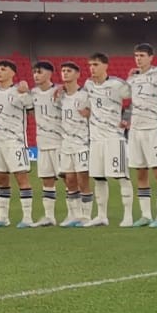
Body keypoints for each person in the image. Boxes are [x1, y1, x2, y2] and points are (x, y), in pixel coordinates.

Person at [0, 60, 36, 228]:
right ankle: (3, 217)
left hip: (15, 142)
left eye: (3, 69)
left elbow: (32, 112)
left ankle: (27, 218)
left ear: (12, 73)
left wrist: (25, 92)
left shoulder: (20, 92)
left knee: (22, 178)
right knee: (2, 179)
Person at [126, 45, 157, 227]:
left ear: (151, 57)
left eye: (142, 56)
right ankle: (146, 215)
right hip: (135, 130)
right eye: (136, 55)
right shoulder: (133, 78)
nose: (138, 59)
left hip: (154, 129)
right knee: (140, 173)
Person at [82, 52, 132, 227]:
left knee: (121, 176)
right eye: (90, 65)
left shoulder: (117, 84)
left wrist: (127, 116)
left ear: (105, 66)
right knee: (98, 178)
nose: (92, 68)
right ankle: (101, 216)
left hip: (114, 138)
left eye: (95, 65)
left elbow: (135, 100)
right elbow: (84, 104)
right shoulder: (88, 85)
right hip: (95, 139)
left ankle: (128, 216)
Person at [54, 61, 93, 226]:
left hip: (82, 142)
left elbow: (98, 112)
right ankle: (73, 216)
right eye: (63, 71)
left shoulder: (85, 95)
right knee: (69, 179)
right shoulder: (59, 96)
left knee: (82, 179)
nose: (65, 73)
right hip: (66, 143)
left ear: (78, 74)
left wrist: (90, 113)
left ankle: (86, 216)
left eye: (69, 71)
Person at [29, 60, 65, 226]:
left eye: (40, 72)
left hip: (60, 142)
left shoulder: (60, 92)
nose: (36, 75)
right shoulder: (32, 94)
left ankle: (77, 214)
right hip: (42, 143)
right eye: (35, 72)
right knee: (47, 181)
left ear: (50, 73)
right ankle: (49, 217)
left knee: (69, 180)